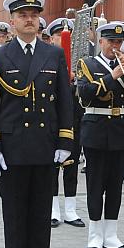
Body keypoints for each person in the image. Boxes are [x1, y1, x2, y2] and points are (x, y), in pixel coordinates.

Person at [0, 0, 74, 248]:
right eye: (23, 15)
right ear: (12, 21)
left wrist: (65, 140)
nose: (29, 19)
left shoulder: (53, 55)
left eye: (34, 14)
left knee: (39, 215)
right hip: (12, 148)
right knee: (14, 215)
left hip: (44, 146)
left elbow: (64, 99)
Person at [76, 21, 124, 248]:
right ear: (101, 42)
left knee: (115, 186)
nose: (115, 46)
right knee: (96, 185)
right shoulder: (87, 64)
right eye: (111, 42)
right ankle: (95, 234)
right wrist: (113, 76)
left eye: (119, 42)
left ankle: (112, 234)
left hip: (122, 130)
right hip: (96, 130)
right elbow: (85, 95)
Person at [45, 18, 85, 229]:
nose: (63, 39)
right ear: (51, 39)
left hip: (74, 118)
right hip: (51, 121)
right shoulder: (46, 59)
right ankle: (52, 209)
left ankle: (70, 209)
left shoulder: (81, 60)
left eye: (66, 35)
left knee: (72, 165)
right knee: (52, 167)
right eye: (59, 36)